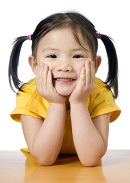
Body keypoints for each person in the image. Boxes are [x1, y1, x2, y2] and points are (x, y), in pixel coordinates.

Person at [8, 11, 121, 166]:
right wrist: (56, 104)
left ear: (95, 65)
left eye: (77, 56)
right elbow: (44, 159)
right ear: (34, 65)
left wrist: (79, 103)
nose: (65, 66)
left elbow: (91, 159)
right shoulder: (28, 93)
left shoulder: (100, 92)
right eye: (52, 56)